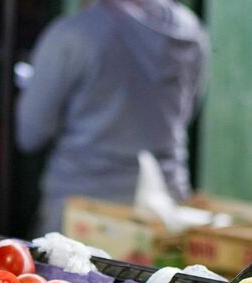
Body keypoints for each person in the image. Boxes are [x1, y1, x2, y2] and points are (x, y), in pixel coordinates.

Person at [16, 0, 207, 235]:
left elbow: (30, 134)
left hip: (81, 223)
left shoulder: (72, 34)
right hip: (166, 216)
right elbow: (187, 113)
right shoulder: (192, 30)